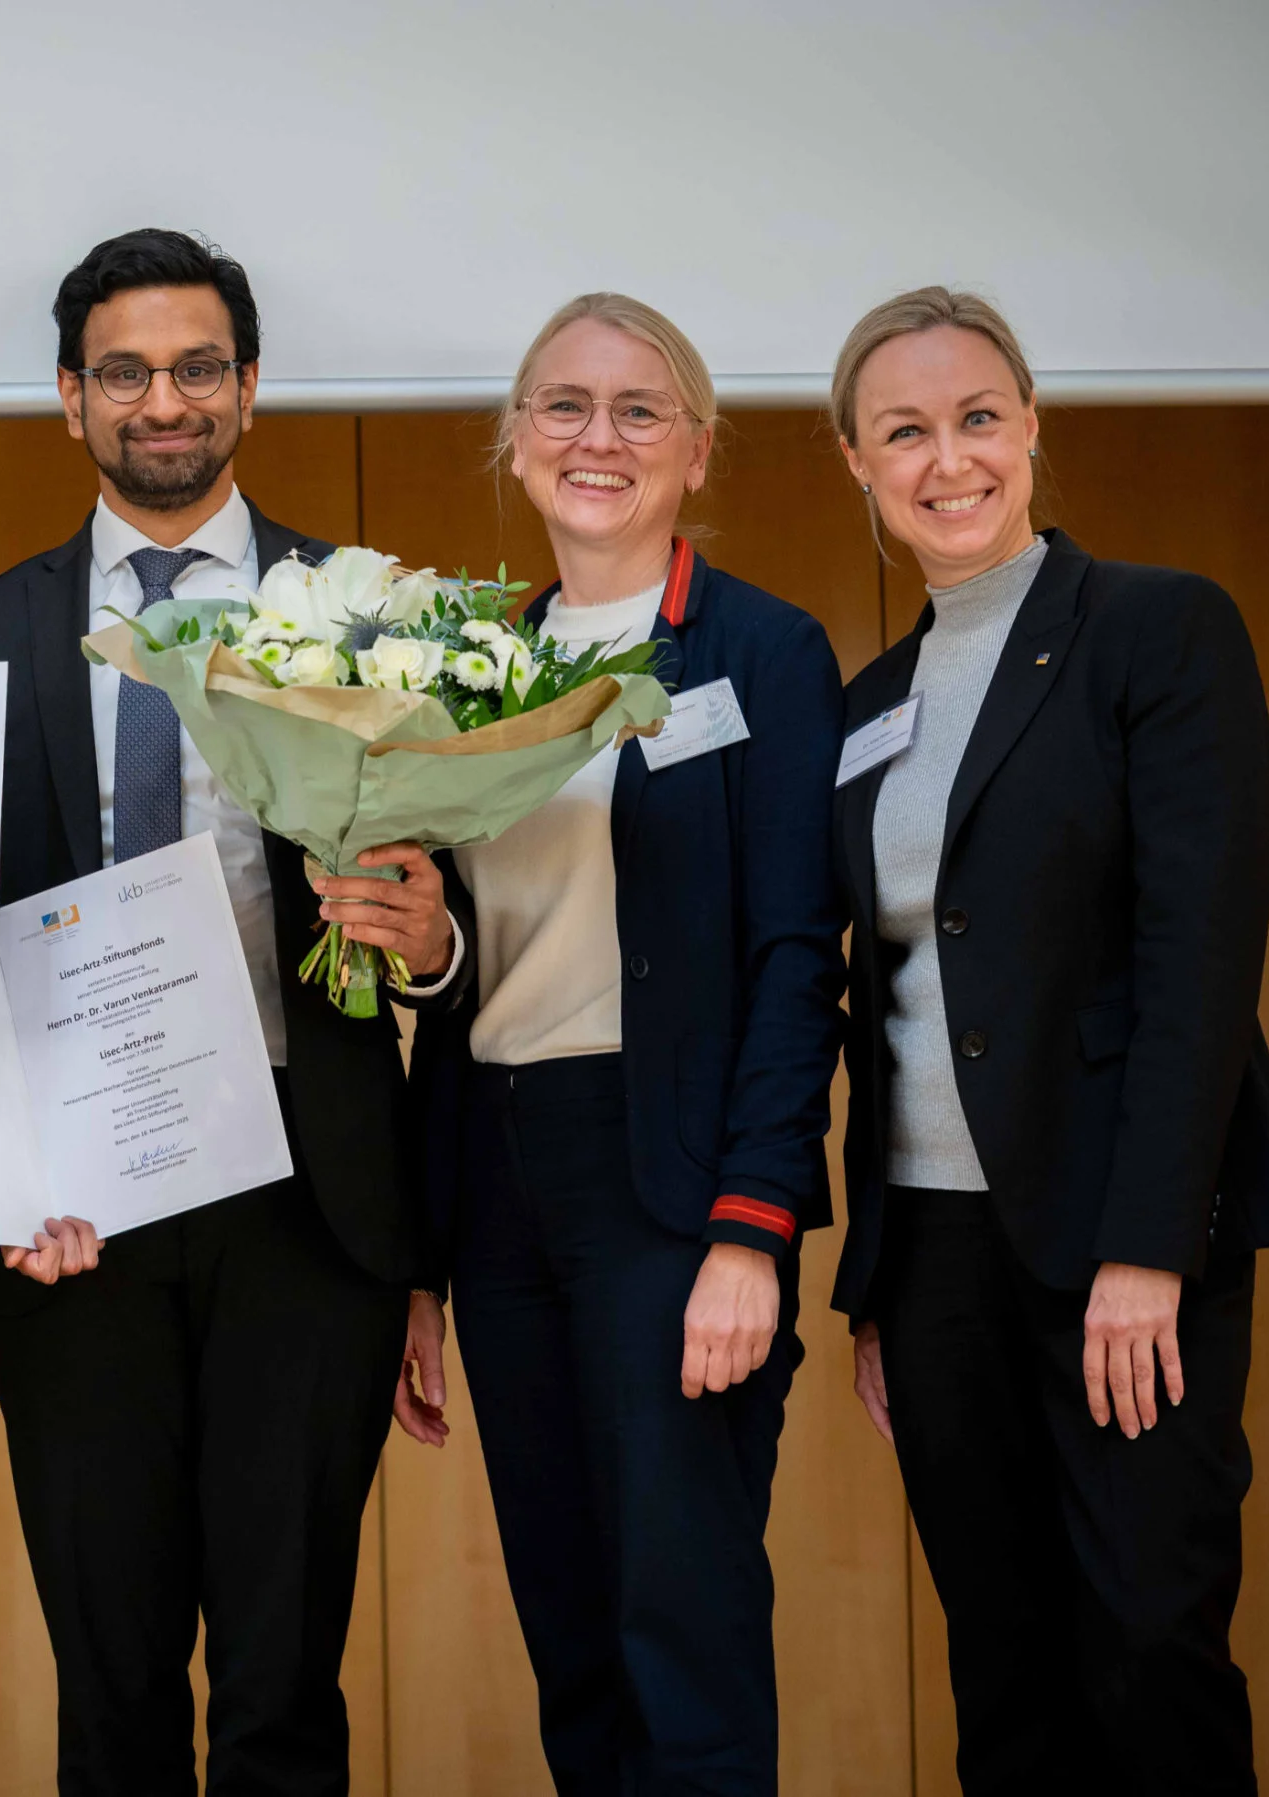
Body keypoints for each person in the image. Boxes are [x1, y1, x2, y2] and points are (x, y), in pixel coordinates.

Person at [0, 228, 451, 1795]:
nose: (166, 401)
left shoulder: (367, 618)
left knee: (284, 1682)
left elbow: (449, 910)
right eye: (128, 372)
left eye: (200, 368)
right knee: (113, 1685)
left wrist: (427, 942)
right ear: (70, 396)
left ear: (251, 388)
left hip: (309, 1195)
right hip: (70, 1208)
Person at [826, 286, 1269, 1796]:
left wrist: (1149, 1249)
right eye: (906, 430)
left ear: (1032, 427)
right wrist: (877, 1286)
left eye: (978, 417)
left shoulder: (1157, 629)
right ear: (857, 461)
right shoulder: (867, 707)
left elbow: (1199, 960)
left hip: (1118, 1237)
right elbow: (882, 994)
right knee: (1005, 1671)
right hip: (936, 1258)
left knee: (1150, 1651)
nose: (948, 460)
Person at [397, 294, 848, 1794]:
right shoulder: (465, 666)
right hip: (500, 1182)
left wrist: (751, 1229)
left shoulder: (764, 652)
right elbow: (466, 965)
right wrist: (422, 1260)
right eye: (565, 405)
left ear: (697, 452)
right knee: (574, 1635)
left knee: (682, 1627)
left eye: (640, 410)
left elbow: (797, 960)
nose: (600, 437)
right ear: (516, 442)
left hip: (672, 1187)